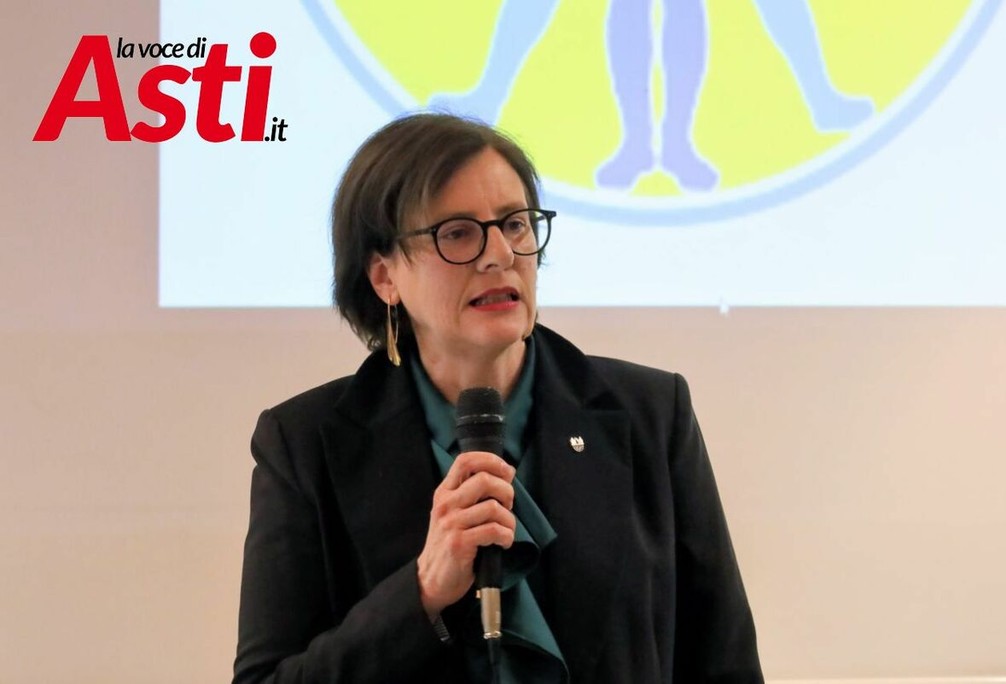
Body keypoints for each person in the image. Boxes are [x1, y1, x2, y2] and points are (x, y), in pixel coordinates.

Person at [232, 113, 762, 683]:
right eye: (457, 233)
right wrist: (422, 593)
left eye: (515, 224)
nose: (500, 254)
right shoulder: (303, 445)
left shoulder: (650, 414)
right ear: (384, 276)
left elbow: (724, 664)